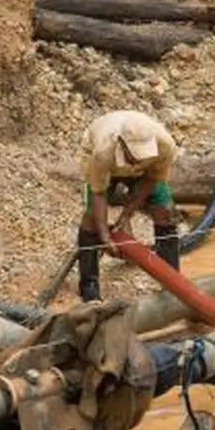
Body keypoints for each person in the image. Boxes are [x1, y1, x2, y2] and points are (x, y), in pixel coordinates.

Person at [77, 110, 181, 302]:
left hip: (144, 174)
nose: (138, 159)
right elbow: (99, 193)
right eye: (134, 156)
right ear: (122, 144)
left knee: (166, 212)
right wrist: (105, 235)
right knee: (91, 220)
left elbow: (151, 179)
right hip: (101, 159)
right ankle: (89, 288)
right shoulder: (103, 151)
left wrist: (126, 216)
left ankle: (172, 279)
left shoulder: (165, 146)